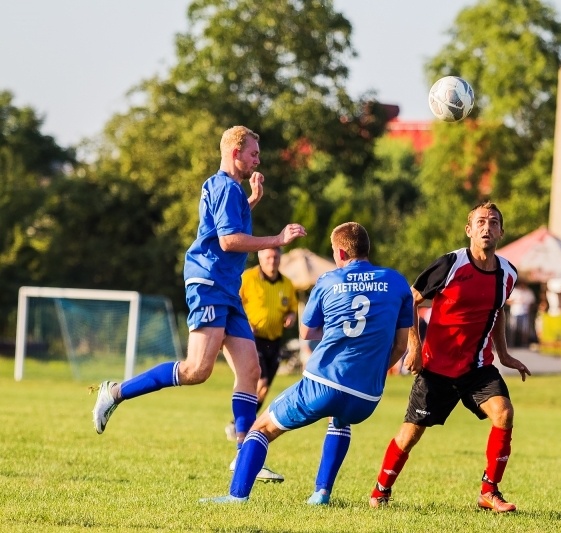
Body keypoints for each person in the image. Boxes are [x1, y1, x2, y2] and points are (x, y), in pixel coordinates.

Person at [91, 126, 307, 483]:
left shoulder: (230, 190)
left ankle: (243, 456)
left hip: (226, 288)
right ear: (236, 152)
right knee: (196, 370)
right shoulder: (224, 187)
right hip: (208, 283)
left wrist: (251, 201)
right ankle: (114, 392)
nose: (258, 158)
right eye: (253, 152)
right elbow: (228, 241)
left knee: (250, 373)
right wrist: (277, 238)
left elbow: (220, 227)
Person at [200, 222, 413, 505]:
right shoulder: (397, 281)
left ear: (339, 252)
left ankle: (236, 496)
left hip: (323, 384)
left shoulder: (328, 281)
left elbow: (307, 333)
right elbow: (400, 345)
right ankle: (321, 493)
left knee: (260, 428)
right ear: (367, 248)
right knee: (340, 420)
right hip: (367, 396)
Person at [368, 201, 531, 513]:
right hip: (436, 368)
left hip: (477, 367)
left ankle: (489, 491)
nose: (487, 227)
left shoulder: (508, 274)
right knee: (410, 435)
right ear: (469, 230)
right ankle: (380, 490)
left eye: (494, 222)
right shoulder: (450, 264)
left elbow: (496, 313)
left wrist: (505, 354)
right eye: (481, 222)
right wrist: (414, 347)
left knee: (504, 414)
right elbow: (410, 300)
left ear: (501, 232)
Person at [223, 247, 298, 441]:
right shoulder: (248, 278)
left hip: (274, 341)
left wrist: (290, 316)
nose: (272, 261)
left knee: (264, 390)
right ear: (260, 258)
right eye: (268, 257)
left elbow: (292, 308)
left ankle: (239, 423)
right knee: (260, 381)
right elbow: (233, 301)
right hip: (251, 338)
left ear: (280, 258)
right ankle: (242, 425)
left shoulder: (287, 283)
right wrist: (244, 320)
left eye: (275, 257)